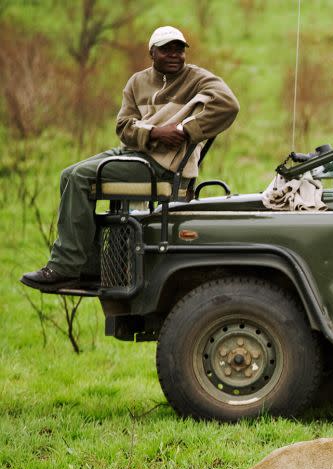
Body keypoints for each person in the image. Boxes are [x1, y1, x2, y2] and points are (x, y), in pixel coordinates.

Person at [21, 26, 240, 291]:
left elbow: (229, 105)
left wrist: (185, 130)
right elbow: (123, 127)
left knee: (80, 178)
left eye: (179, 49)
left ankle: (64, 267)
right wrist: (155, 132)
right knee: (68, 173)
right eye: (166, 49)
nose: (175, 55)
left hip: (162, 166)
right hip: (133, 154)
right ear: (152, 53)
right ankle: (86, 268)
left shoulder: (198, 79)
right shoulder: (137, 82)